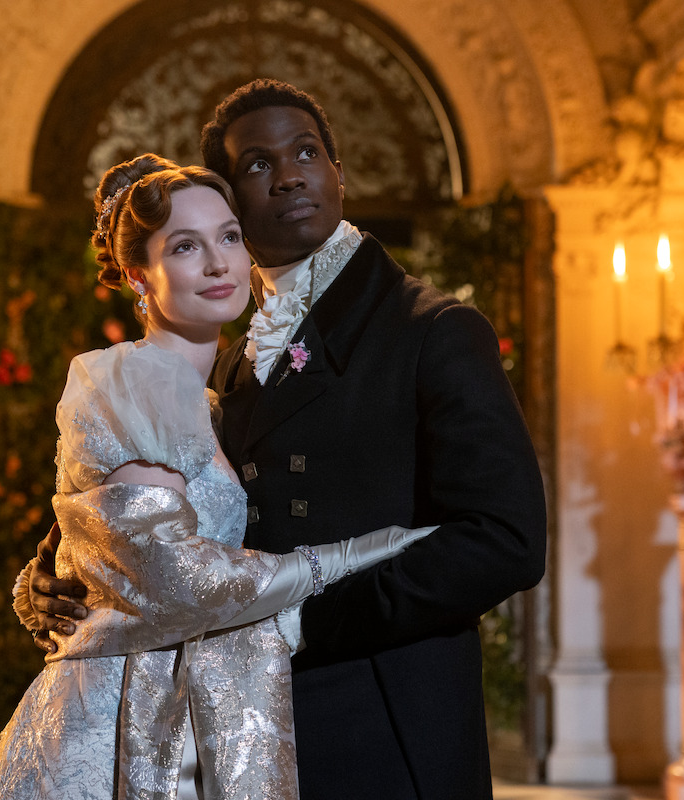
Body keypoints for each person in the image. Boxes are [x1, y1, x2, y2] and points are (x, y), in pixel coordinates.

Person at [28, 81, 548, 799]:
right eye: (259, 164)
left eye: (307, 152)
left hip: (385, 720)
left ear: (340, 173)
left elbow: (504, 540)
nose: (292, 173)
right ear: (234, 202)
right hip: (249, 733)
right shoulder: (232, 359)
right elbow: (179, 509)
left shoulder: (432, 330)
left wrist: (307, 620)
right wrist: (66, 570)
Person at [0, 154, 433, 800]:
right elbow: (169, 570)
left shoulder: (215, 397)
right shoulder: (131, 383)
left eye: (229, 237)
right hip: (126, 724)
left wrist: (51, 570)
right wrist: (345, 559)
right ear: (140, 275)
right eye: (187, 246)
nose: (221, 264)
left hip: (193, 707)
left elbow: (99, 540)